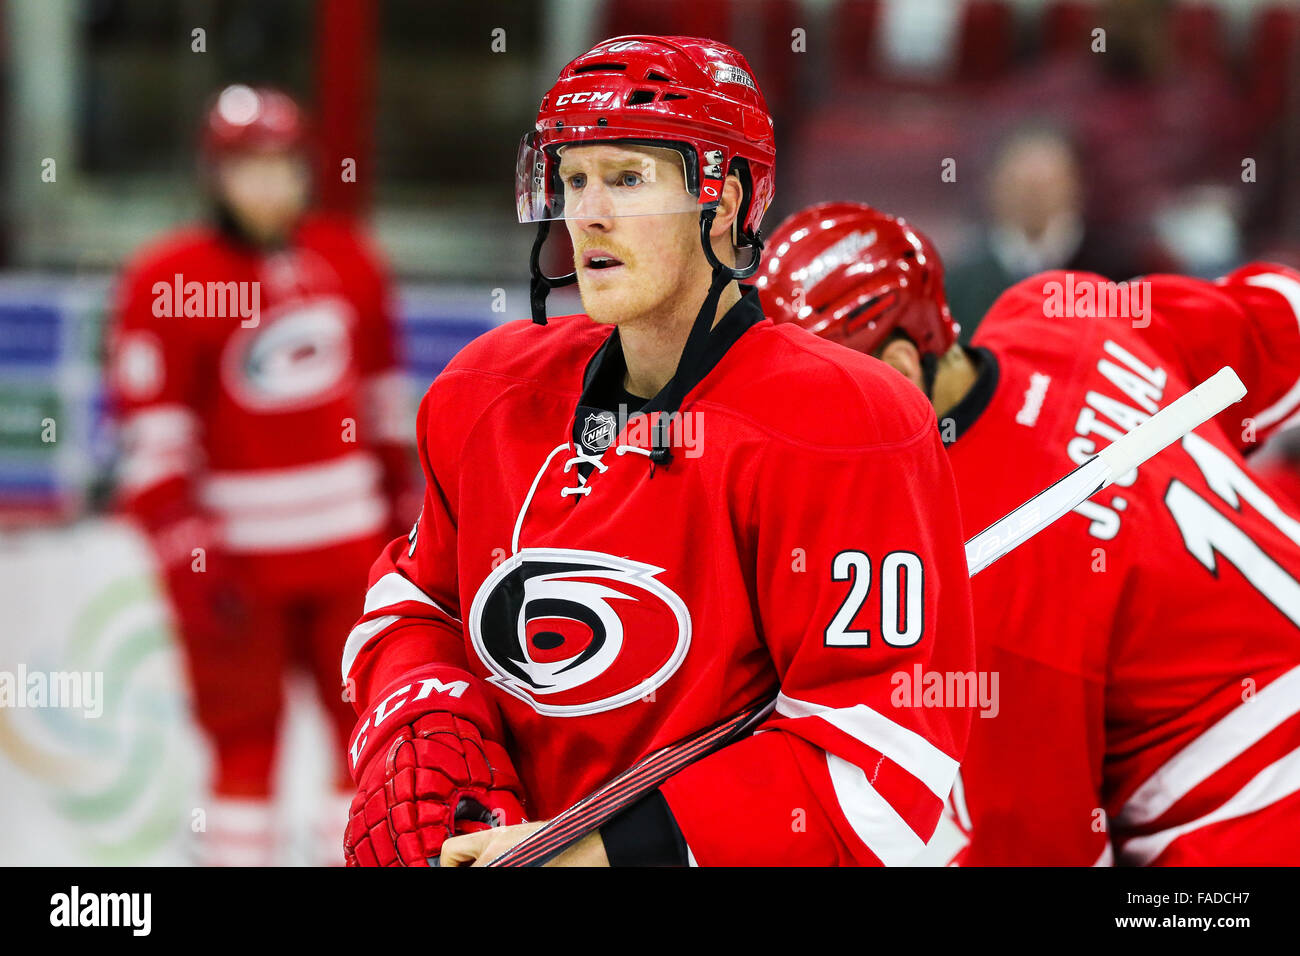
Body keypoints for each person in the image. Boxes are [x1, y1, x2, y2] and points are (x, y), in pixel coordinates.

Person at [340, 36, 976, 868]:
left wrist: (600, 855)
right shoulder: (487, 393)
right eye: (573, 179)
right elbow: (418, 607)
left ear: (727, 200)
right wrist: (424, 731)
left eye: (627, 179)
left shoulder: (845, 422)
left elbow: (888, 777)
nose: (588, 215)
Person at [757, 201, 1300, 864]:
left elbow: (1042, 847)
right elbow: (1281, 318)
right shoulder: (1058, 311)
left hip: (1255, 825)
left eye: (821, 405)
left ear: (897, 370)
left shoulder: (973, 571)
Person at [108, 84, 415, 865]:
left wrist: (410, 530)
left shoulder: (349, 262)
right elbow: (154, 442)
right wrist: (189, 555)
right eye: (249, 167)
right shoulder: (166, 278)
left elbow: (384, 415)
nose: (271, 185)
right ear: (215, 175)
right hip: (239, 571)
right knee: (244, 746)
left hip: (351, 558)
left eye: (284, 165)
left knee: (370, 739)